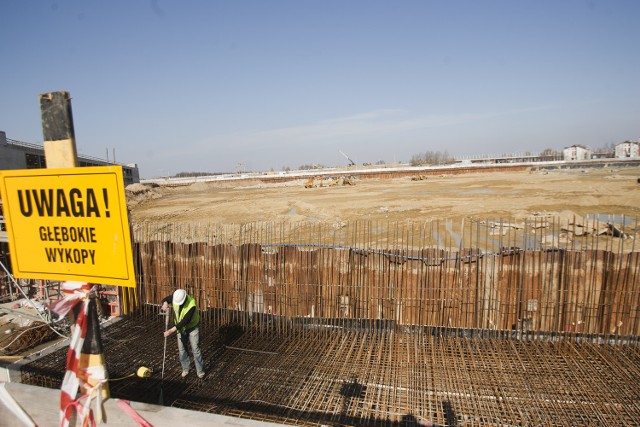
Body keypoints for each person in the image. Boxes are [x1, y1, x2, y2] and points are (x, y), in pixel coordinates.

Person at [161, 289, 205, 379]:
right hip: (180, 329)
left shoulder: (191, 304)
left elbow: (185, 321)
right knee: (182, 349)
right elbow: (165, 299)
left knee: (195, 349)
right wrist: (165, 303)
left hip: (192, 327)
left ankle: (200, 371)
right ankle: (185, 369)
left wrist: (170, 331)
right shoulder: (175, 297)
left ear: (184, 299)